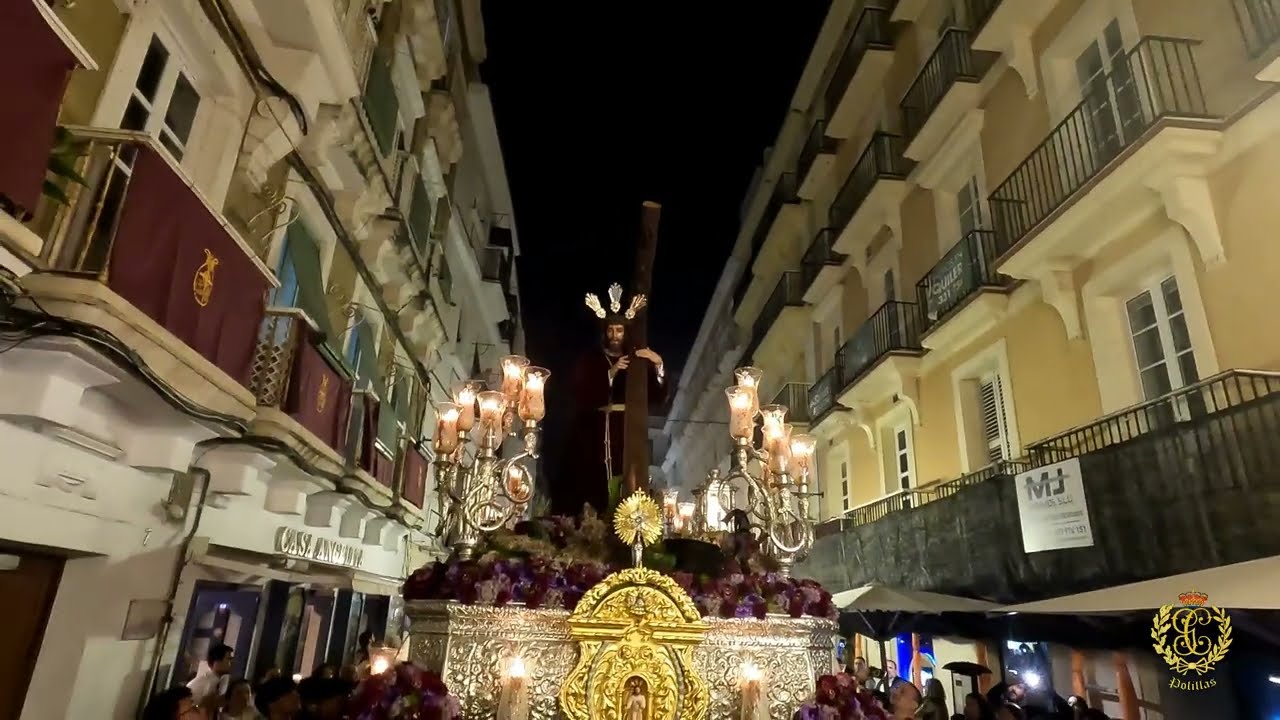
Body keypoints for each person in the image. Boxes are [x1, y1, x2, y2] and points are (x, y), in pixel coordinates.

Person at [556, 283, 666, 515]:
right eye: (611, 331)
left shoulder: (637, 362)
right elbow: (581, 392)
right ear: (605, 333)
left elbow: (657, 396)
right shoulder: (591, 360)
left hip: (628, 430)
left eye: (620, 331)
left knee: (627, 476)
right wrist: (611, 373)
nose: (615, 336)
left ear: (626, 333)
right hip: (595, 430)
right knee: (591, 476)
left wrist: (657, 364)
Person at [187, 643, 234, 712]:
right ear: (217, 662)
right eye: (229, 659)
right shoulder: (209, 683)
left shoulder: (218, 681)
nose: (232, 662)